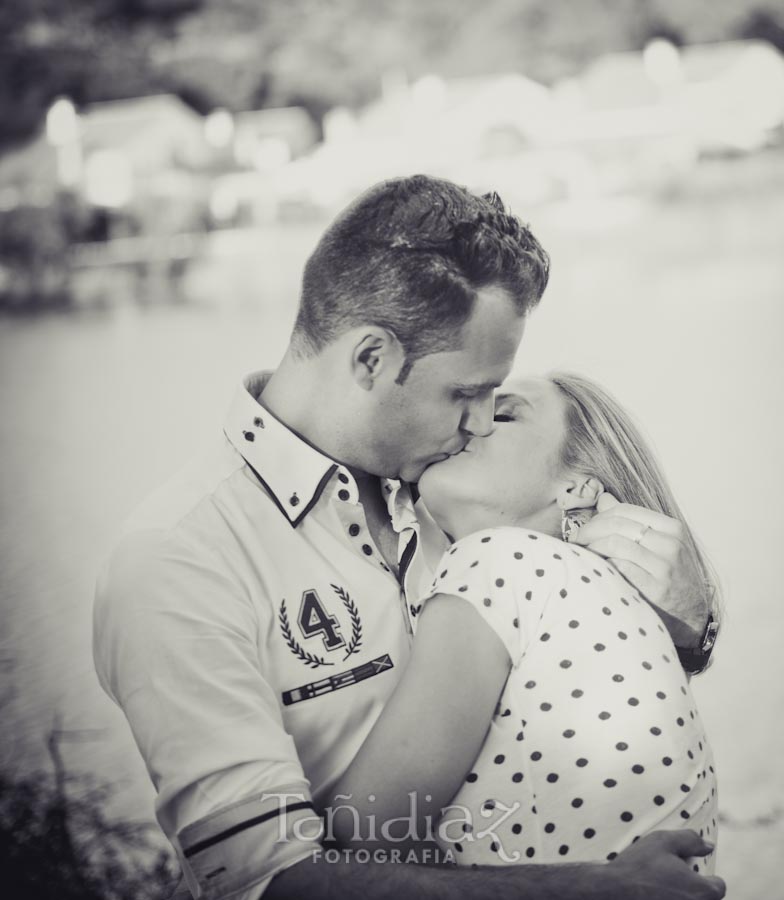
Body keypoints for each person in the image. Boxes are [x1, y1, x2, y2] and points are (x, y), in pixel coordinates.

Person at [93, 175, 724, 900]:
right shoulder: (180, 557)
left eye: (497, 398)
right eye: (465, 393)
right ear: (371, 359)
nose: (482, 423)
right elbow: (268, 883)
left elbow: (575, 670)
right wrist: (586, 890)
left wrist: (689, 624)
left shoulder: (454, 493)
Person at [324, 373, 720, 873]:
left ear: (576, 485)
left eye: (505, 413)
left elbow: (365, 830)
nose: (472, 420)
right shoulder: (585, 595)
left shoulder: (498, 560)